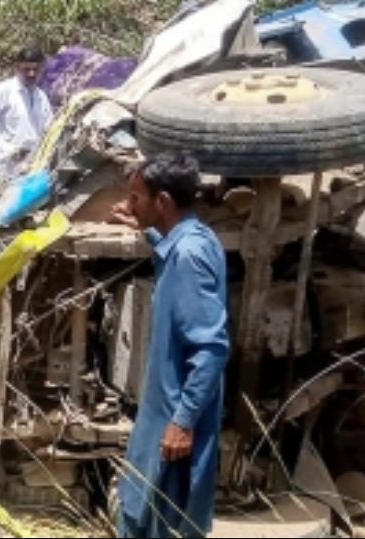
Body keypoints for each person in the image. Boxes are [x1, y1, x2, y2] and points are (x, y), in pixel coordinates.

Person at [108, 151, 231, 538]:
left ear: (162, 201)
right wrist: (144, 228)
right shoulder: (194, 237)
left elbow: (212, 347)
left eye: (136, 199)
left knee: (154, 518)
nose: (129, 205)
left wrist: (182, 421)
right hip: (165, 408)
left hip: (173, 416)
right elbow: (169, 249)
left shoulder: (188, 256)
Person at [0, 45, 55, 183]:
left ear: (42, 68)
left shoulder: (41, 98)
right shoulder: (3, 92)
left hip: (28, 170)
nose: (31, 74)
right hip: (0, 170)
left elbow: (49, 132)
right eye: (26, 69)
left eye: (36, 69)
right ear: (17, 67)